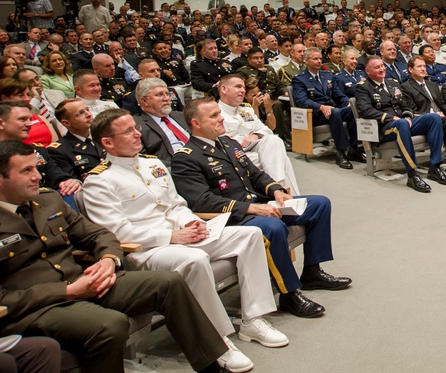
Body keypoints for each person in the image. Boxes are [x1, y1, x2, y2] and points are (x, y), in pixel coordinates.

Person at [81, 109, 289, 373]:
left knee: (249, 235)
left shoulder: (152, 164)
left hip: (181, 235)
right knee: (195, 259)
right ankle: (217, 340)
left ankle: (253, 319)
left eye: (136, 128)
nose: (137, 134)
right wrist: (171, 236)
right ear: (107, 142)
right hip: (147, 250)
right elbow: (116, 232)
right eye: (128, 131)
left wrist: (191, 222)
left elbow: (176, 205)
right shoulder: (99, 181)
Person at [0, 139, 229, 373]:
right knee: (110, 325)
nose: (38, 176)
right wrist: (68, 291)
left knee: (169, 282)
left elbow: (100, 235)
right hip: (38, 307)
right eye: (26, 171)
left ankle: (211, 367)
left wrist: (108, 260)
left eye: (36, 168)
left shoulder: (47, 200)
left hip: (85, 282)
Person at [170, 97, 351, 319]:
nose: (221, 119)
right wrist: (252, 209)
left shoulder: (228, 143)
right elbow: (202, 201)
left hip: (259, 205)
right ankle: (289, 293)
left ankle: (312, 271)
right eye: (214, 116)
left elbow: (256, 176)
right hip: (232, 217)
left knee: (319, 204)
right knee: (273, 227)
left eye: (219, 113)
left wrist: (276, 191)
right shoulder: (186, 158)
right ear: (196, 123)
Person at [354, 57, 446, 194]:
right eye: (377, 67)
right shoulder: (363, 88)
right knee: (401, 124)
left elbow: (405, 105)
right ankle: (412, 174)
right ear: (368, 71)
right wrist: (393, 118)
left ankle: (434, 167)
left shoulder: (393, 83)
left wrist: (407, 116)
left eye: (382, 66)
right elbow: (365, 110)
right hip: (383, 127)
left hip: (402, 121)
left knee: (433, 118)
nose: (382, 69)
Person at [217, 74, 301, 192]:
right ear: (224, 89)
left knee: (274, 140)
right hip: (234, 154)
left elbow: (267, 130)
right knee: (282, 160)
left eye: (243, 88)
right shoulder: (215, 112)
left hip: (255, 148)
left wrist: (255, 135)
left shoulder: (246, 111)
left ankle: (277, 189)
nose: (242, 90)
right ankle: (285, 194)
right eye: (238, 87)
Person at [400, 56, 446, 177]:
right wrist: (432, 114)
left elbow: (442, 104)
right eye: (419, 66)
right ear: (410, 70)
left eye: (424, 66)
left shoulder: (432, 85)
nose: (423, 69)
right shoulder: (405, 87)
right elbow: (411, 110)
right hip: (424, 120)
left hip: (441, 116)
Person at [290, 49, 361, 170]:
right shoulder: (299, 79)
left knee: (353, 110)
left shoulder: (327, 75)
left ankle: (354, 149)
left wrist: (348, 103)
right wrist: (321, 107)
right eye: (315, 59)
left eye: (320, 59)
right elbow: (302, 101)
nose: (319, 61)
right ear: (306, 60)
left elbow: (337, 94)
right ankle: (340, 152)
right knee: (336, 112)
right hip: (314, 114)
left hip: (332, 111)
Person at [132, 78, 190, 166]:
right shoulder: (136, 124)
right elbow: (142, 160)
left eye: (167, 94)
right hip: (175, 169)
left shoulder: (182, 115)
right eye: (159, 95)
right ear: (144, 101)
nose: (166, 98)